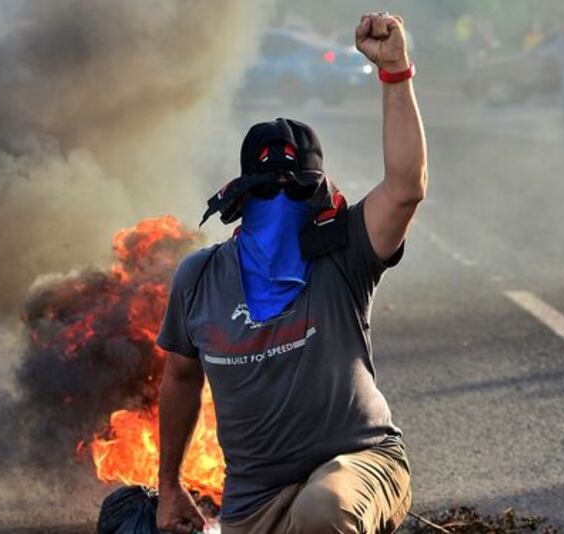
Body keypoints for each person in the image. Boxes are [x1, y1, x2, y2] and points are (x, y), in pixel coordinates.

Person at [155, 12, 427, 534]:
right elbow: (181, 377)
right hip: (253, 502)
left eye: (296, 190)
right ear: (241, 199)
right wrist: (169, 487)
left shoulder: (344, 252)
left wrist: (394, 72)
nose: (281, 202)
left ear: (320, 196)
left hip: (359, 465)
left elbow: (405, 187)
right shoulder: (199, 278)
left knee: (322, 513)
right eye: (266, 192)